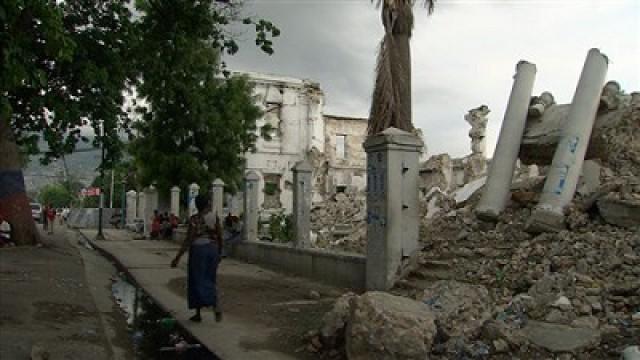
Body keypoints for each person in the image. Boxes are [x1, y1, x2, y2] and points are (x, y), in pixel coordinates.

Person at [171, 194, 223, 323]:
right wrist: (220, 252)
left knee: (196, 280)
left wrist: (177, 257)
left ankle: (198, 312)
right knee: (210, 278)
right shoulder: (214, 217)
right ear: (207, 204)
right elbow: (220, 236)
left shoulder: (195, 219)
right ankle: (215, 304)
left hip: (199, 251)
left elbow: (189, 239)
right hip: (213, 249)